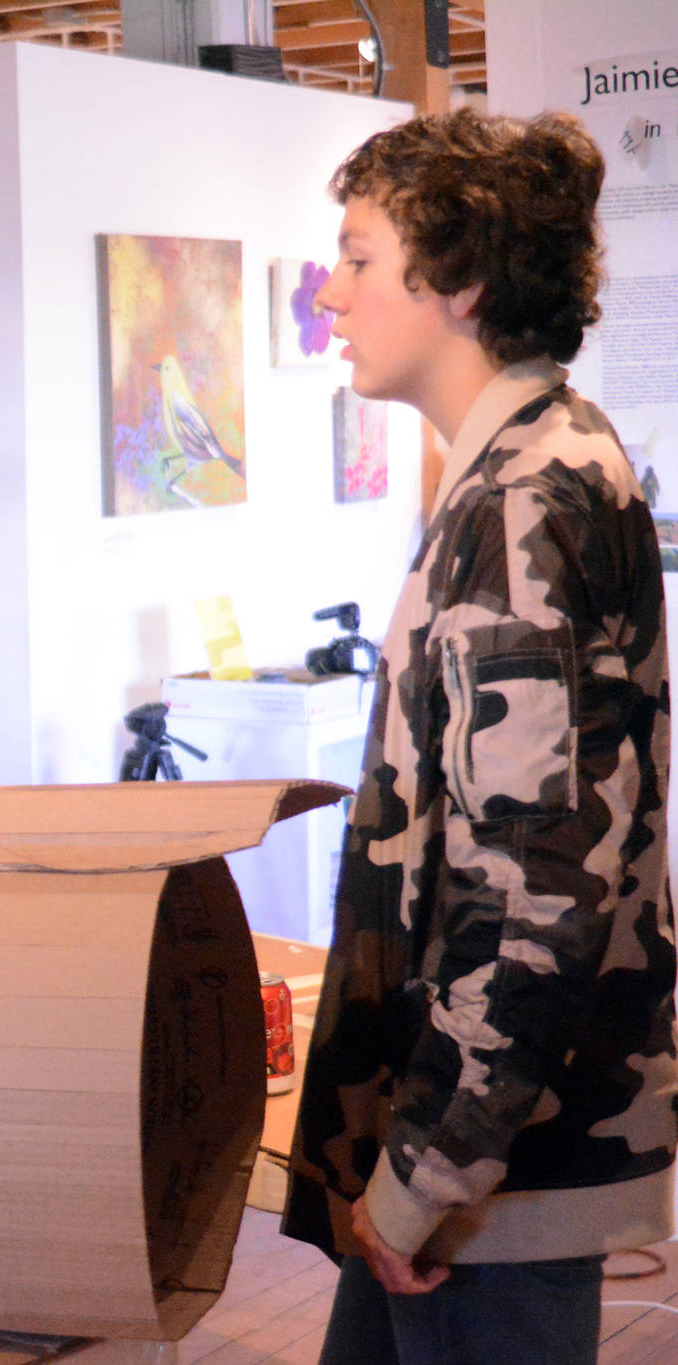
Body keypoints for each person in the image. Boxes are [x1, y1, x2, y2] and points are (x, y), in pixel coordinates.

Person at [281, 110, 674, 1365]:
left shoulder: (519, 498)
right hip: (476, 1145)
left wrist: (428, 1170)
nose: (327, 293)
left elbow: (531, 886)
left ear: (455, 283)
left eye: (357, 258)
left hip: (486, 1175)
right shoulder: (534, 463)